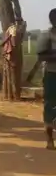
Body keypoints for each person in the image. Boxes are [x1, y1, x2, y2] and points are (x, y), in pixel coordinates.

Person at [36, 8, 56, 150]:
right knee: (50, 106)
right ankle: (49, 139)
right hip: (52, 75)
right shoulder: (46, 36)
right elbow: (42, 57)